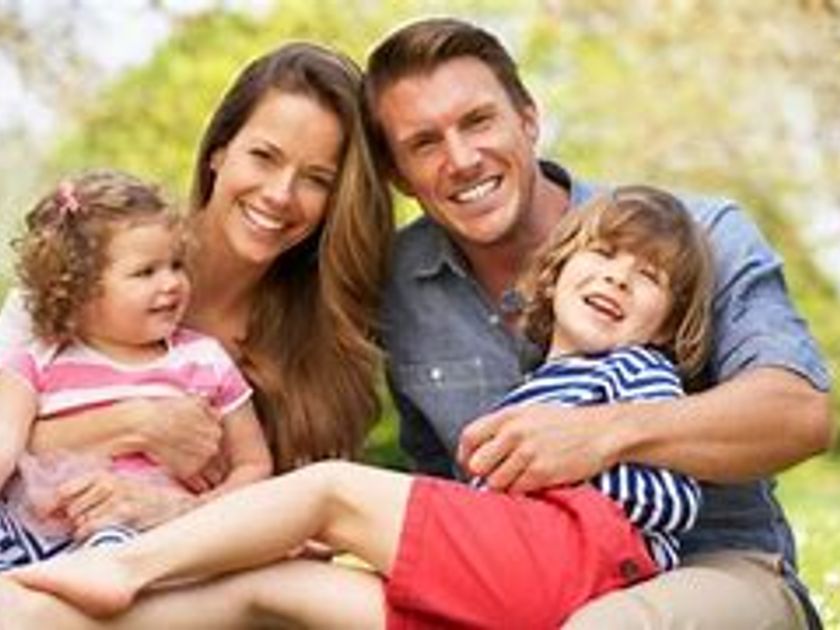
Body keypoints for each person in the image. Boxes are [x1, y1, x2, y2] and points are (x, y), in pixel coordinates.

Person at [6, 184, 714, 629]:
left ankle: (122, 566)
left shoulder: (636, 369)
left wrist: (590, 466)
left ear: (667, 322)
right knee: (269, 587)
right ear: (554, 275)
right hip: (512, 595)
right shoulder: (538, 384)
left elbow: (669, 495)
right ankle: (35, 611)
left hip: (585, 564)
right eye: (603, 257)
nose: (618, 280)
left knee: (328, 490)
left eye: (647, 277)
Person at [365, 16, 832, 630]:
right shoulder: (399, 288)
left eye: (478, 121)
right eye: (425, 143)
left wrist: (602, 434)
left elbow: (798, 414)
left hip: (711, 571)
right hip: (519, 584)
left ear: (528, 120)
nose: (462, 158)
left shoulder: (700, 236)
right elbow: (439, 482)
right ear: (398, 175)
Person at [0, 41, 392, 538]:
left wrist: (174, 510)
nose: (280, 194)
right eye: (264, 156)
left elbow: (306, 520)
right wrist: (137, 422)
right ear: (218, 152)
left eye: (317, 179)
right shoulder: (74, 287)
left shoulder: (324, 340)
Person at [0, 169, 273, 567]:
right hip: (32, 529)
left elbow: (254, 465)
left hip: (144, 537)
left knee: (112, 548)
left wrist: (202, 513)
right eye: (146, 272)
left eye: (177, 265)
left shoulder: (204, 359)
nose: (172, 283)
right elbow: (5, 441)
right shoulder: (38, 359)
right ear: (78, 290)